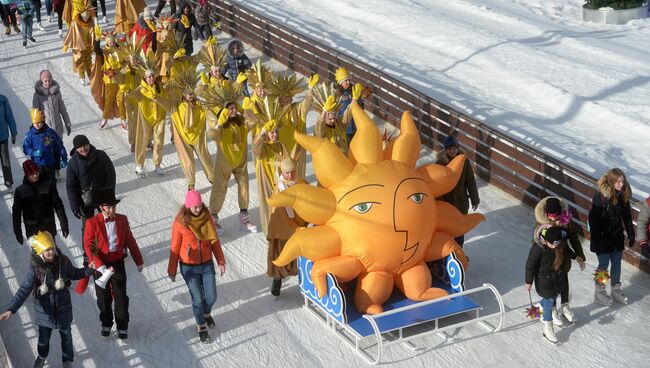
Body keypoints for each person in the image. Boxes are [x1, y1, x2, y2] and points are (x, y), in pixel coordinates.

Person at [0, 231, 93, 368]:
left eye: (52, 248)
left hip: (63, 308)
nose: (51, 252)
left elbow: (74, 274)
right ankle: (42, 356)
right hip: (44, 311)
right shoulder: (35, 268)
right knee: (44, 339)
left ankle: (67, 361)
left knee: (66, 336)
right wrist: (11, 309)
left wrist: (87, 271)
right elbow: (25, 289)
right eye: (47, 249)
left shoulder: (63, 261)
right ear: (40, 251)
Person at [83, 187, 144, 340]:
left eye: (113, 207)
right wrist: (99, 265)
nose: (111, 210)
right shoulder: (92, 223)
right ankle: (106, 322)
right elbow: (89, 245)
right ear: (101, 208)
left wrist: (138, 259)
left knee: (121, 296)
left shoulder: (122, 219)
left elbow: (129, 239)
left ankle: (122, 325)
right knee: (103, 298)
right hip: (100, 264)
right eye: (108, 207)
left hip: (117, 262)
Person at [167, 190, 225, 343]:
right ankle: (201, 326)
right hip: (189, 266)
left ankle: (206, 314)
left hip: (206, 263)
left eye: (199, 206)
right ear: (188, 206)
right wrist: (172, 269)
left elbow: (214, 241)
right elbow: (174, 246)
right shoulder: (180, 222)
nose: (198, 209)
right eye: (195, 207)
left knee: (211, 296)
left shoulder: (207, 218)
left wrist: (220, 261)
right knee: (198, 298)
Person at [208, 101, 257, 235]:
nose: (234, 111)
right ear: (224, 111)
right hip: (224, 164)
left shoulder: (242, 124)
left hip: (240, 164)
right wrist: (219, 123)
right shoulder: (221, 128)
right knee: (220, 189)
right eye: (231, 109)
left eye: (236, 108)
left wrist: (244, 110)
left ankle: (244, 220)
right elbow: (210, 135)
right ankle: (213, 218)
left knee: (244, 187)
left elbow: (255, 120)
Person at [534, 196, 585, 324]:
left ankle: (565, 306)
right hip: (549, 262)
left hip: (564, 258)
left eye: (555, 215)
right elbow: (535, 243)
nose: (553, 218)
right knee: (553, 286)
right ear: (546, 213)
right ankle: (553, 309)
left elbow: (574, 238)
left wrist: (580, 256)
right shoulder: (541, 224)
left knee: (564, 282)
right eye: (550, 216)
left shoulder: (566, 221)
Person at [588, 168, 634, 305]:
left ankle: (616, 290)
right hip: (602, 238)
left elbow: (627, 217)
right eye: (618, 182)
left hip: (616, 237)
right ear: (612, 181)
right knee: (603, 265)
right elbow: (593, 218)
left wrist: (631, 234)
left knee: (617, 263)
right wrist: (599, 235)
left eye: (623, 182)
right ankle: (600, 293)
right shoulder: (601, 196)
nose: (621, 184)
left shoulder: (623, 196)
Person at [266, 157, 306, 296]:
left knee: (301, 257)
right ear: (282, 173)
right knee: (282, 254)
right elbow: (278, 211)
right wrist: (292, 227)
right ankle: (277, 280)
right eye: (287, 173)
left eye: (292, 172)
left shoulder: (301, 183)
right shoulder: (279, 190)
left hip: (300, 225)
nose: (290, 175)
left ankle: (305, 284)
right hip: (283, 229)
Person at [525, 225, 571, 344]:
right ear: (546, 241)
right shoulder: (538, 249)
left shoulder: (558, 245)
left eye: (558, 243)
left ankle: (542, 306)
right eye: (553, 243)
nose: (556, 246)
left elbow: (567, 251)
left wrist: (578, 257)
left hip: (556, 278)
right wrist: (528, 281)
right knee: (550, 299)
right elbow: (530, 265)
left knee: (552, 298)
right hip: (543, 280)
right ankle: (547, 327)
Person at [65, 134, 116, 236]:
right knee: (88, 227)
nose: (83, 149)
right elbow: (71, 187)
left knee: (110, 222)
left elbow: (111, 175)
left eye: (85, 145)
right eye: (80, 147)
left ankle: (114, 247)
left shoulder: (101, 155)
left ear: (89, 144)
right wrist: (75, 205)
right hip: (85, 200)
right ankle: (88, 251)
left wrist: (108, 197)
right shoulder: (72, 163)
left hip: (103, 195)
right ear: (76, 149)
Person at [435, 135, 479, 246]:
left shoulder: (464, 162)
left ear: (458, 148)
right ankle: (447, 255)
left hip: (460, 202)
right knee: (447, 230)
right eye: (449, 148)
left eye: (454, 148)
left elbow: (470, 181)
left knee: (459, 230)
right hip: (446, 203)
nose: (452, 151)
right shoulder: (440, 164)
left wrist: (474, 199)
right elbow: (436, 184)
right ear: (445, 149)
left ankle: (459, 253)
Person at [13, 159, 69, 245]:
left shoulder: (48, 185)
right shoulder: (20, 191)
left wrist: (64, 224)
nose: (35, 175)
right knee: (38, 255)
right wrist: (18, 232)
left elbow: (58, 205)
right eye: (32, 174)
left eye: (36, 172)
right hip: (33, 230)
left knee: (51, 252)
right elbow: (16, 213)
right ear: (27, 175)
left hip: (48, 226)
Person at [253, 118, 284, 236]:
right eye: (272, 132)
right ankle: (270, 234)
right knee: (268, 208)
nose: (275, 135)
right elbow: (256, 148)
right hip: (267, 181)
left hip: (278, 182)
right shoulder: (263, 147)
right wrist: (262, 132)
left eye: (276, 132)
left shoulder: (279, 145)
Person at [23, 108, 67, 180]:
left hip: (50, 164)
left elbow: (59, 145)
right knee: (41, 186)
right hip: (37, 165)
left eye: (39, 122)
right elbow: (25, 148)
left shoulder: (49, 132)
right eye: (35, 123)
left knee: (51, 185)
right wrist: (33, 152)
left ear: (43, 121)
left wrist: (64, 157)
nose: (37, 125)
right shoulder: (30, 134)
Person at [32, 70, 72, 139]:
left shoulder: (56, 92)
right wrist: (37, 128)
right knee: (48, 148)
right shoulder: (37, 94)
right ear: (42, 81)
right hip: (45, 129)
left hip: (58, 128)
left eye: (49, 80)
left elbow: (63, 110)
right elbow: (36, 113)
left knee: (58, 148)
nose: (48, 83)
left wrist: (67, 123)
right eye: (45, 81)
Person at [62, 1, 95, 85]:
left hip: (87, 44)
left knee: (88, 59)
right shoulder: (75, 24)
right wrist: (66, 46)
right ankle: (81, 76)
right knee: (80, 60)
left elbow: (93, 33)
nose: (86, 19)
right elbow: (70, 34)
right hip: (78, 42)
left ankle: (90, 75)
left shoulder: (90, 22)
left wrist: (94, 42)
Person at [0, 93, 18, 188]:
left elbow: (9, 116)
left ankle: (8, 182)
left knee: (5, 160)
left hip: (2, 136)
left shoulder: (3, 99)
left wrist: (13, 131)